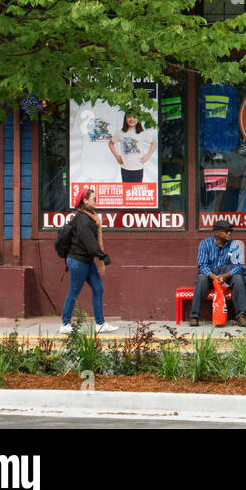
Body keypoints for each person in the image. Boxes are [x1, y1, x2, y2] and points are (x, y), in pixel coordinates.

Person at [59, 189, 117, 334]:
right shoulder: (82, 219)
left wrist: (99, 255)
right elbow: (89, 242)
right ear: (85, 201)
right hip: (78, 261)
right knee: (74, 291)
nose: (96, 201)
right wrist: (102, 255)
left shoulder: (89, 217)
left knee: (98, 288)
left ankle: (100, 324)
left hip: (86, 260)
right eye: (93, 199)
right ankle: (65, 324)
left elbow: (90, 243)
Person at [191, 219, 246, 327]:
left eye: (231, 231)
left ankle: (241, 316)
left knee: (239, 278)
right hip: (210, 274)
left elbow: (239, 265)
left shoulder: (235, 244)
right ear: (216, 232)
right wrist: (213, 276)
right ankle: (194, 316)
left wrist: (226, 276)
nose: (229, 233)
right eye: (226, 231)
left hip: (227, 273)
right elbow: (202, 265)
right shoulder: (205, 244)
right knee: (201, 279)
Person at [108, 115, 157, 184]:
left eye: (134, 117)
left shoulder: (142, 133)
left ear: (138, 119)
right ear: (125, 119)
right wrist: (117, 157)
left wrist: (147, 156)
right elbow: (111, 143)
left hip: (138, 169)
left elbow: (154, 143)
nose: (132, 119)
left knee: (136, 193)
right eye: (129, 117)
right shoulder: (121, 133)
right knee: (126, 192)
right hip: (125, 168)